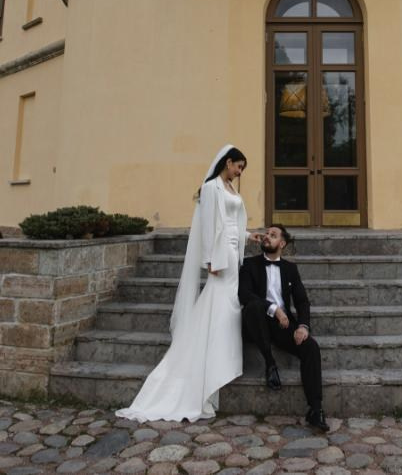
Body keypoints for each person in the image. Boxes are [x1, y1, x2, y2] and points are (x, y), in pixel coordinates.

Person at [116, 144, 261, 422]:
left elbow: (231, 222)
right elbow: (209, 226)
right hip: (220, 256)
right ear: (228, 162)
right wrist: (209, 260)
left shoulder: (230, 189)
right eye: (238, 166)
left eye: (242, 168)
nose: (240, 172)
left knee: (226, 303)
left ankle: (218, 361)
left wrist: (248, 235)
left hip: (234, 250)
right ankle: (208, 367)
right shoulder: (210, 188)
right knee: (218, 303)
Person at [238, 224, 329, 432]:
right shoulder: (249, 265)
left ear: (282, 243)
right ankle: (270, 364)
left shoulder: (290, 269)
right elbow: (244, 294)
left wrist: (303, 327)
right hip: (256, 322)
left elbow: (302, 301)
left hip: (283, 325)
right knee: (252, 307)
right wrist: (274, 308)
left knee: (311, 347)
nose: (267, 237)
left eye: (273, 235)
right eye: (266, 234)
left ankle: (315, 409)